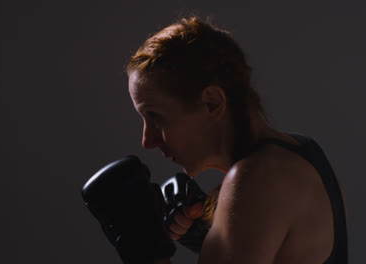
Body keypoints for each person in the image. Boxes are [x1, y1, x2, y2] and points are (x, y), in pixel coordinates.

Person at [126, 16, 348, 263]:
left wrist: (143, 245)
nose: (148, 140)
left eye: (155, 117)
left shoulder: (258, 179)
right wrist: (209, 234)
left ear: (212, 103)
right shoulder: (302, 151)